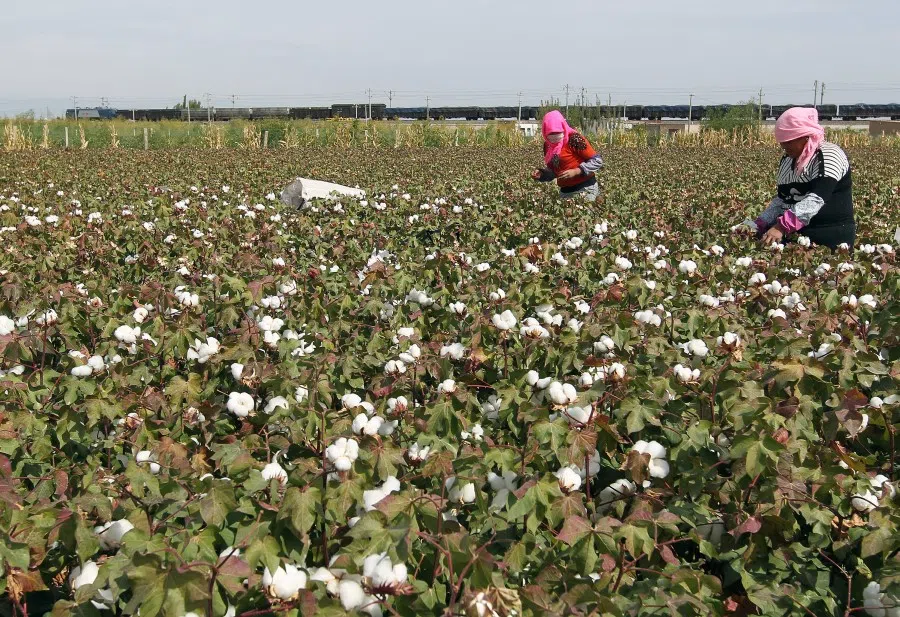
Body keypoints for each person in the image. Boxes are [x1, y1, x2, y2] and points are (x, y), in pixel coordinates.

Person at [754, 107, 854, 249]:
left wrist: (781, 227)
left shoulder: (828, 154)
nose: (784, 146)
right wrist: (759, 223)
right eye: (782, 141)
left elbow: (816, 198)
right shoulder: (788, 160)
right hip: (796, 236)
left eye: (788, 141)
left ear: (805, 136)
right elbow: (782, 199)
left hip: (829, 236)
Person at [531, 110, 603, 200]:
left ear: (563, 127)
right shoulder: (548, 146)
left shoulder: (575, 139)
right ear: (545, 132)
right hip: (565, 192)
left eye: (557, 132)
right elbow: (554, 171)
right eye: (551, 134)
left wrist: (577, 171)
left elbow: (597, 161)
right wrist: (542, 174)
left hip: (585, 188)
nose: (554, 137)